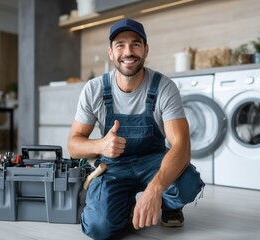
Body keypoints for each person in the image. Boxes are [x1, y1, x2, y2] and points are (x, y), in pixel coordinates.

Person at [68, 18, 204, 240]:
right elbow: (73, 144)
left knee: (188, 183)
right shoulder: (94, 89)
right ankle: (125, 206)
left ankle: (168, 206)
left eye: (136, 44)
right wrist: (101, 145)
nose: (128, 51)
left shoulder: (164, 87)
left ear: (146, 50)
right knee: (99, 228)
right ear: (111, 53)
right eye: (120, 44)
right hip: (113, 167)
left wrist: (155, 189)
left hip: (154, 162)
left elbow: (182, 146)